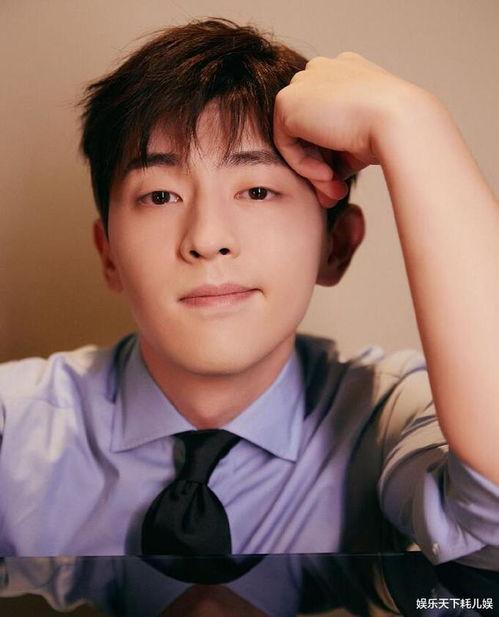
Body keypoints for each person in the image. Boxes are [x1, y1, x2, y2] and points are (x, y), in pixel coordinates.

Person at [0, 18, 498, 567]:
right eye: (161, 196)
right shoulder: (13, 426)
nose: (207, 238)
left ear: (336, 246)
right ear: (108, 254)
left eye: (257, 190)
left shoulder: (387, 417)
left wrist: (411, 121)